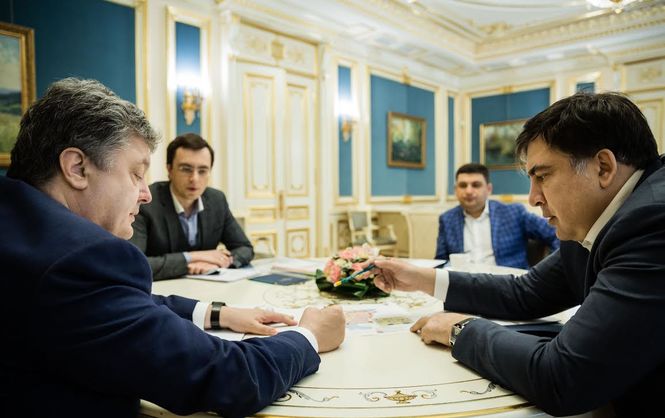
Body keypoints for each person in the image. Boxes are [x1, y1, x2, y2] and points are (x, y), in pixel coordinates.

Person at [0, 78, 345, 418]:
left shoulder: (19, 227)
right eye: (136, 174)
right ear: (77, 168)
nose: (145, 194)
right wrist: (308, 335)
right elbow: (230, 377)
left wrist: (218, 313)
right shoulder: (80, 260)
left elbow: (114, 303)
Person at [371, 92, 665, 417]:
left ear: (603, 167)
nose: (533, 198)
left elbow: (563, 377)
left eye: (543, 176)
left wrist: (460, 329)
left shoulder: (652, 223)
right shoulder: (595, 218)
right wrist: (421, 278)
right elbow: (526, 293)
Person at [129, 133, 252, 280]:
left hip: (208, 288)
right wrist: (192, 259)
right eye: (186, 169)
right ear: (169, 170)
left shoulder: (217, 200)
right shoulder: (146, 202)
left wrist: (222, 261)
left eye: (203, 171)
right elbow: (134, 264)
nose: (194, 178)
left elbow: (245, 248)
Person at [435, 163, 559, 269]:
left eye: (476, 185)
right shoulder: (447, 219)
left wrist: (544, 271)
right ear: (455, 190)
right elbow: (441, 261)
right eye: (463, 186)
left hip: (509, 284)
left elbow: (555, 234)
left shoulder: (514, 213)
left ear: (488, 189)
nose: (468, 191)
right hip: (463, 284)